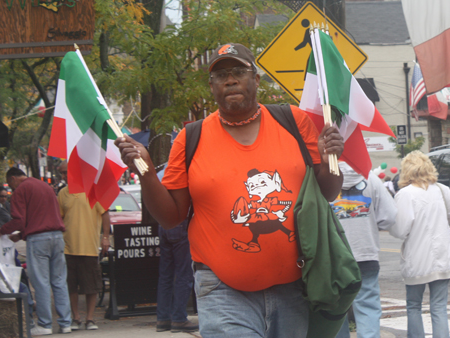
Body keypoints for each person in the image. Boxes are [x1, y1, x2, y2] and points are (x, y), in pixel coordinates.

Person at [116, 42, 344, 337]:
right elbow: (171, 217)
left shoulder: (293, 122)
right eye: (220, 75)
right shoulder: (190, 138)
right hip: (222, 291)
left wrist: (330, 161)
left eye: (239, 71)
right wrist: (145, 170)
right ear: (212, 87)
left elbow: (327, 192)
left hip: (295, 287)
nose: (231, 79)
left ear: (256, 79)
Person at [389, 151, 450, 338]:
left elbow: (400, 229)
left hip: (417, 258)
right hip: (443, 256)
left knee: (413, 305)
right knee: (439, 306)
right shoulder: (441, 190)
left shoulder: (405, 195)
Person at [0, 167, 72, 336]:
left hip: (38, 239)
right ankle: (65, 323)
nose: (11, 187)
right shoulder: (44, 186)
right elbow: (42, 216)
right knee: (59, 281)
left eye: (10, 183)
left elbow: (18, 220)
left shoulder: (20, 190)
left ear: (14, 178)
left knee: (41, 282)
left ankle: (45, 324)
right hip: (57, 236)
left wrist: (1, 231)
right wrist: (22, 235)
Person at [334, 162, 397, 338]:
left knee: (335, 310)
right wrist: (372, 223)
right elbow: (390, 216)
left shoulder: (325, 177)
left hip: (334, 257)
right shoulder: (371, 179)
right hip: (365, 251)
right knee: (367, 306)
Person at [57, 161, 110, 331]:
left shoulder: (92, 190)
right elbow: (60, 218)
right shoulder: (62, 193)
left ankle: (90, 318)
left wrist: (106, 238)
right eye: (61, 173)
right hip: (68, 247)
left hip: (89, 246)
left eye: (66, 172)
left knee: (91, 286)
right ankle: (76, 317)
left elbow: (105, 213)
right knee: (71, 285)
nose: (64, 176)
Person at [155, 168, 198, 333]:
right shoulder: (184, 171)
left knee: (165, 274)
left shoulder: (161, 173)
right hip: (181, 222)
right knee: (183, 274)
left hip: (164, 225)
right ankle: (179, 318)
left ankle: (163, 318)